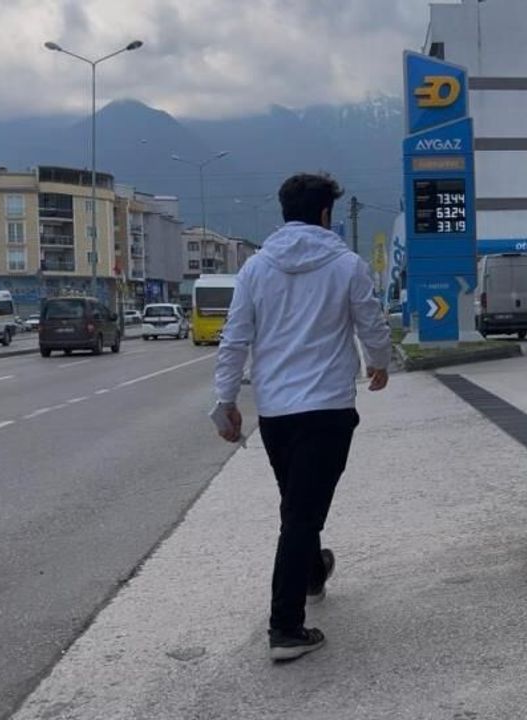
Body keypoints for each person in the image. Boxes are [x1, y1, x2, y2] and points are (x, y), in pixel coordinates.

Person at [212, 172, 392, 663]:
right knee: (301, 514)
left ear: (285, 212)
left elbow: (235, 339)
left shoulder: (255, 269)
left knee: (298, 505)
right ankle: (286, 628)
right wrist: (379, 362)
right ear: (326, 214)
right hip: (328, 408)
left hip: (276, 413)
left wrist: (226, 401)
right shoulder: (348, 265)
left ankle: (312, 573)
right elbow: (371, 322)